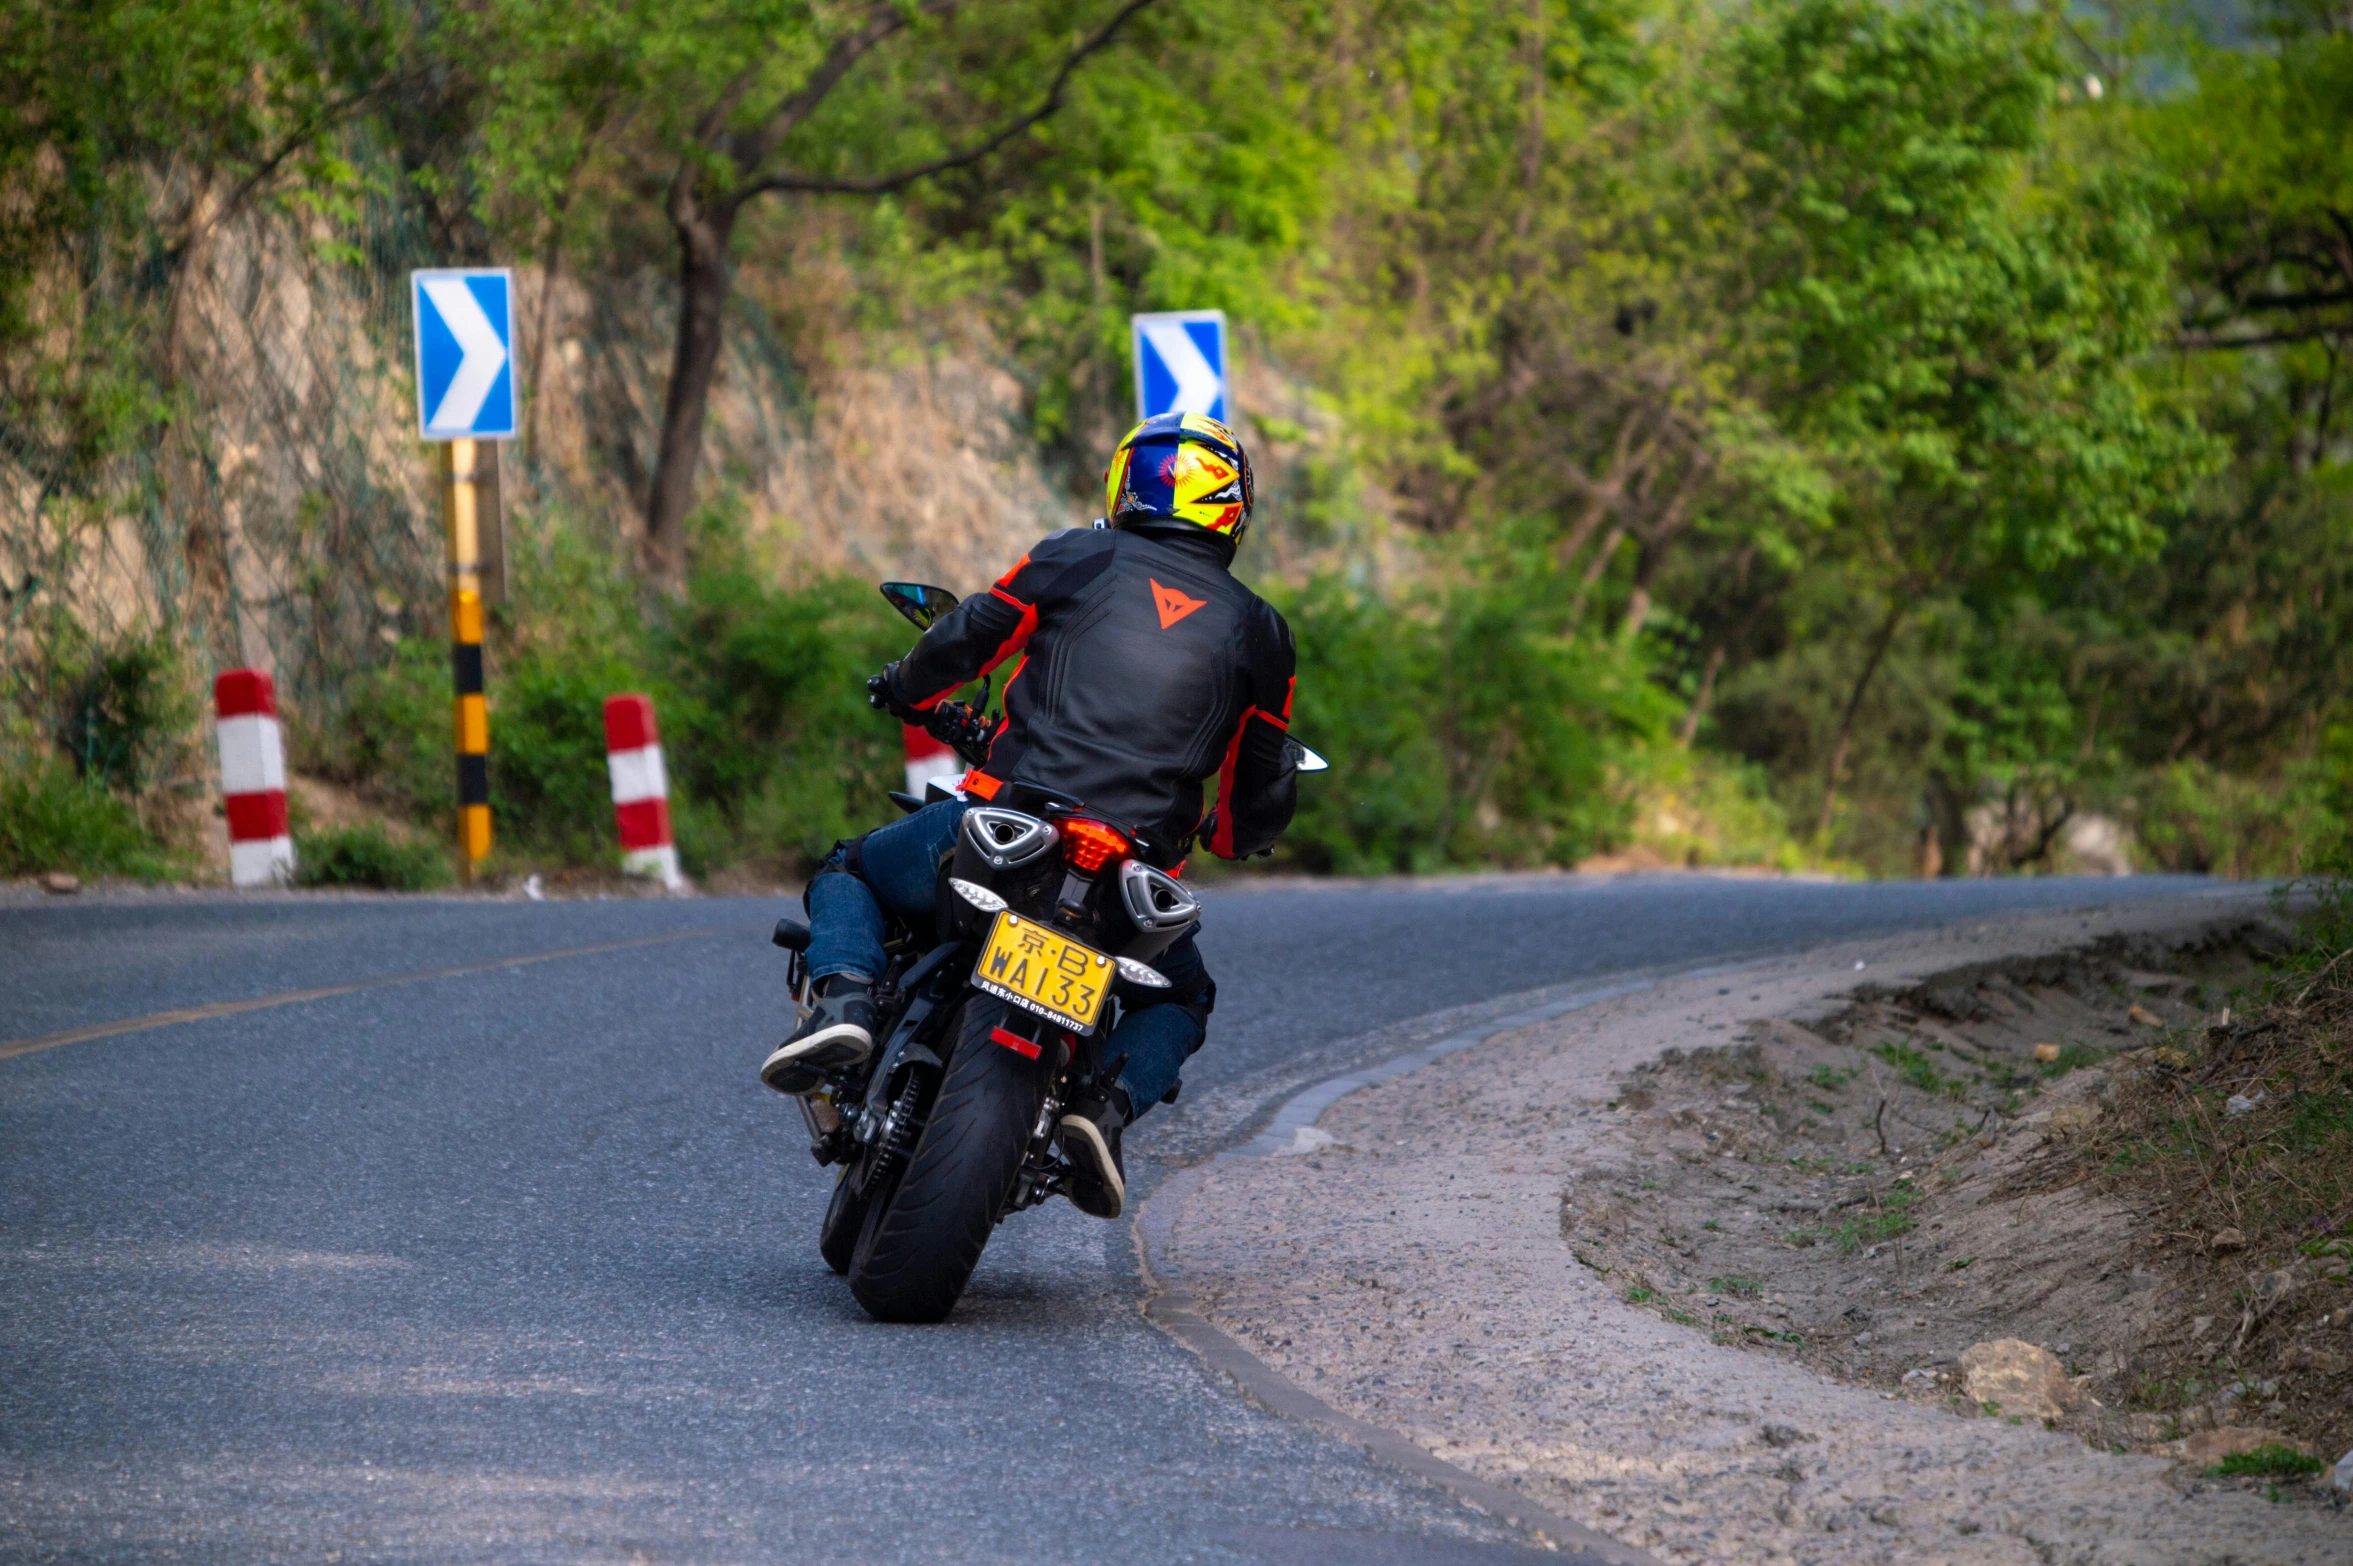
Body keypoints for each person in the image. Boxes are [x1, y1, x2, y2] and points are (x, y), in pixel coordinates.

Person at [760, 412, 1298, 1218]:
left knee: (851, 867)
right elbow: (1255, 796)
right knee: (1180, 998)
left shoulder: (1076, 554)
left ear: (1126, 485)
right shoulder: (1265, 634)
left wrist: (907, 689)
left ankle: (843, 1002)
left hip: (1011, 819)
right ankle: (1102, 1107)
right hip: (1131, 870)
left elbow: (971, 635)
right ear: (1233, 511)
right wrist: (1229, 838)